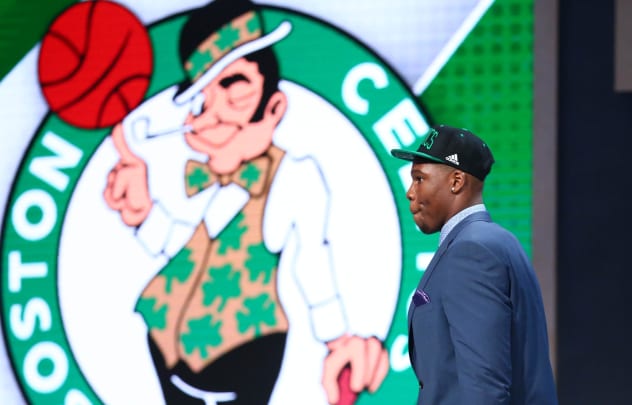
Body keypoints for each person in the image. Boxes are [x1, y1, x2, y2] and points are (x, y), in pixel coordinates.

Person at [102, 0, 392, 403]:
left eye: (234, 89)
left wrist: (337, 339)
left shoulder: (295, 176)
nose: (212, 116)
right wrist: (142, 213)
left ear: (273, 107)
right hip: (165, 351)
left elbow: (312, 262)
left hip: (237, 357)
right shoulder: (212, 183)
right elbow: (186, 249)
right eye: (200, 101)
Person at [390, 124, 558, 404]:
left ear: (456, 182)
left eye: (419, 179)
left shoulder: (471, 251)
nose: (410, 192)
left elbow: (485, 385)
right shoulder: (498, 241)